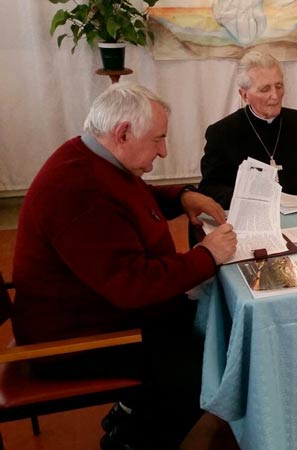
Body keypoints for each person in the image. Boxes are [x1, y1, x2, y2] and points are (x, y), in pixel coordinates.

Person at [11, 82, 237, 450]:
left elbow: (132, 198)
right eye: (158, 139)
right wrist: (207, 256)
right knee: (206, 362)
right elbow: (132, 285)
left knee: (214, 326)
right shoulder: (77, 189)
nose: (163, 151)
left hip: (102, 311)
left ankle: (132, 412)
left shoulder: (92, 157)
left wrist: (182, 196)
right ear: (123, 133)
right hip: (74, 340)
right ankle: (131, 441)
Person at [197, 51, 297, 209]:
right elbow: (210, 188)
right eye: (265, 89)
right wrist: (246, 198)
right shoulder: (222, 133)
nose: (275, 96)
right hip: (251, 215)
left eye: (279, 86)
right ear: (244, 95)